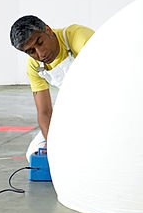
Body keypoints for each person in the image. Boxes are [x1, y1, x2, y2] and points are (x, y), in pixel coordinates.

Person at [9, 15, 94, 161]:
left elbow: (108, 82)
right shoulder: (35, 66)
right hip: (76, 111)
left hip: (104, 104)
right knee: (34, 153)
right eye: (31, 51)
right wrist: (53, 146)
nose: (40, 54)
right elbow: (45, 112)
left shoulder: (78, 38)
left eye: (40, 43)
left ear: (48, 30)